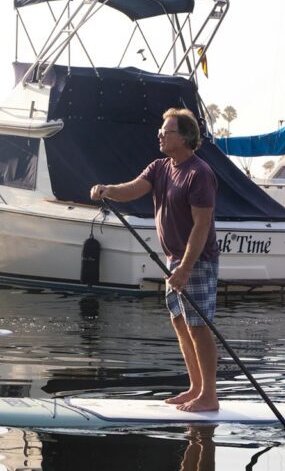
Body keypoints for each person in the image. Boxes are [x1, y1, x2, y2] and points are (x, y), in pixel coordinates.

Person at [89, 107, 220, 412]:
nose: (160, 134)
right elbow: (131, 190)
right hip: (173, 259)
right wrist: (107, 189)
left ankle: (210, 395)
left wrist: (186, 269)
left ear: (185, 137)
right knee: (180, 324)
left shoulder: (200, 174)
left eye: (167, 130)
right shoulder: (159, 167)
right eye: (160, 130)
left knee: (199, 326)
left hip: (197, 260)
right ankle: (195, 388)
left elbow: (202, 226)